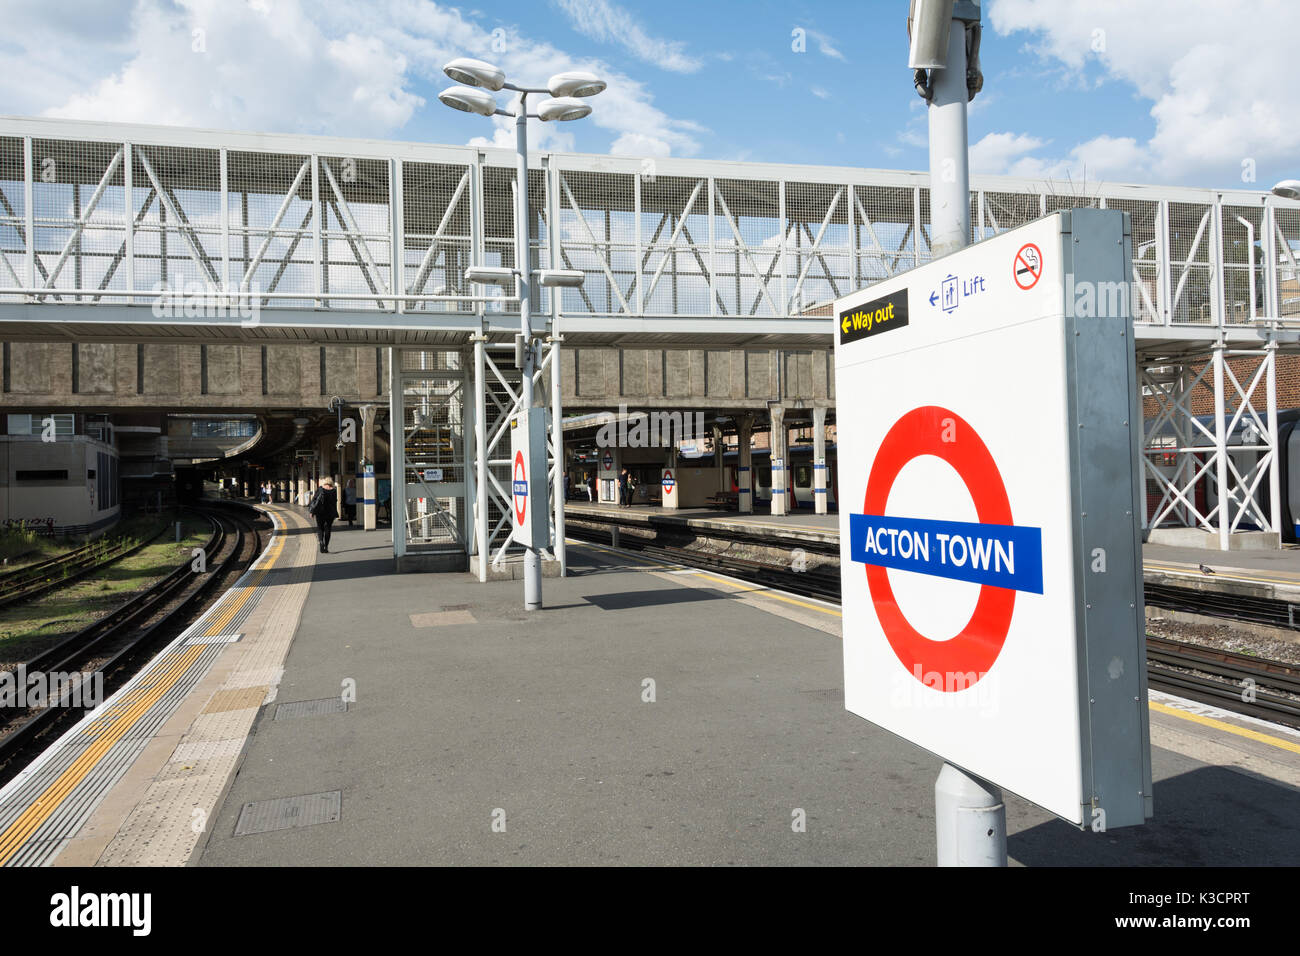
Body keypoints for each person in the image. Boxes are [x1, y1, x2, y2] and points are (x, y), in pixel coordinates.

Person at [308, 476, 338, 553]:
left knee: (320, 528)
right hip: (330, 512)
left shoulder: (320, 489)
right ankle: (326, 547)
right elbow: (334, 502)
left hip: (320, 512)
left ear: (325, 481)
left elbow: (314, 500)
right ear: (331, 482)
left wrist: (312, 511)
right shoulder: (334, 490)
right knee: (328, 529)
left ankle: (321, 542)